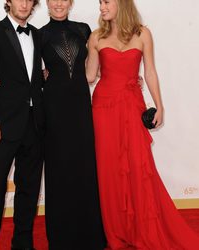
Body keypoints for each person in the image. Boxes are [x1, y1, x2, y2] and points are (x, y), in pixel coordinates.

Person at [86, 0, 199, 249]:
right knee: (109, 171)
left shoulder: (142, 33)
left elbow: (150, 72)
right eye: (100, 3)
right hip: (103, 110)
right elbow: (89, 76)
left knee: (138, 167)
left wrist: (159, 105)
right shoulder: (96, 37)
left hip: (131, 107)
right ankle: (115, 233)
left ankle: (141, 230)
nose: (101, 7)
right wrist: (51, 73)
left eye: (106, 2)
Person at [0, 0, 44, 249]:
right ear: (8, 1)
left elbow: (39, 78)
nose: (24, 4)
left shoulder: (38, 34)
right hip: (3, 125)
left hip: (34, 125)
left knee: (29, 187)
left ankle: (23, 243)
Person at [39, 0, 105, 249]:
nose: (58, 3)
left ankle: (90, 234)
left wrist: (130, 76)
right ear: (47, 3)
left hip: (80, 108)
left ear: (70, 2)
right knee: (59, 170)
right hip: (54, 109)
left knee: (84, 166)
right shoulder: (40, 34)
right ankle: (62, 236)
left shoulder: (84, 29)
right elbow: (27, 71)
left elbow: (94, 68)